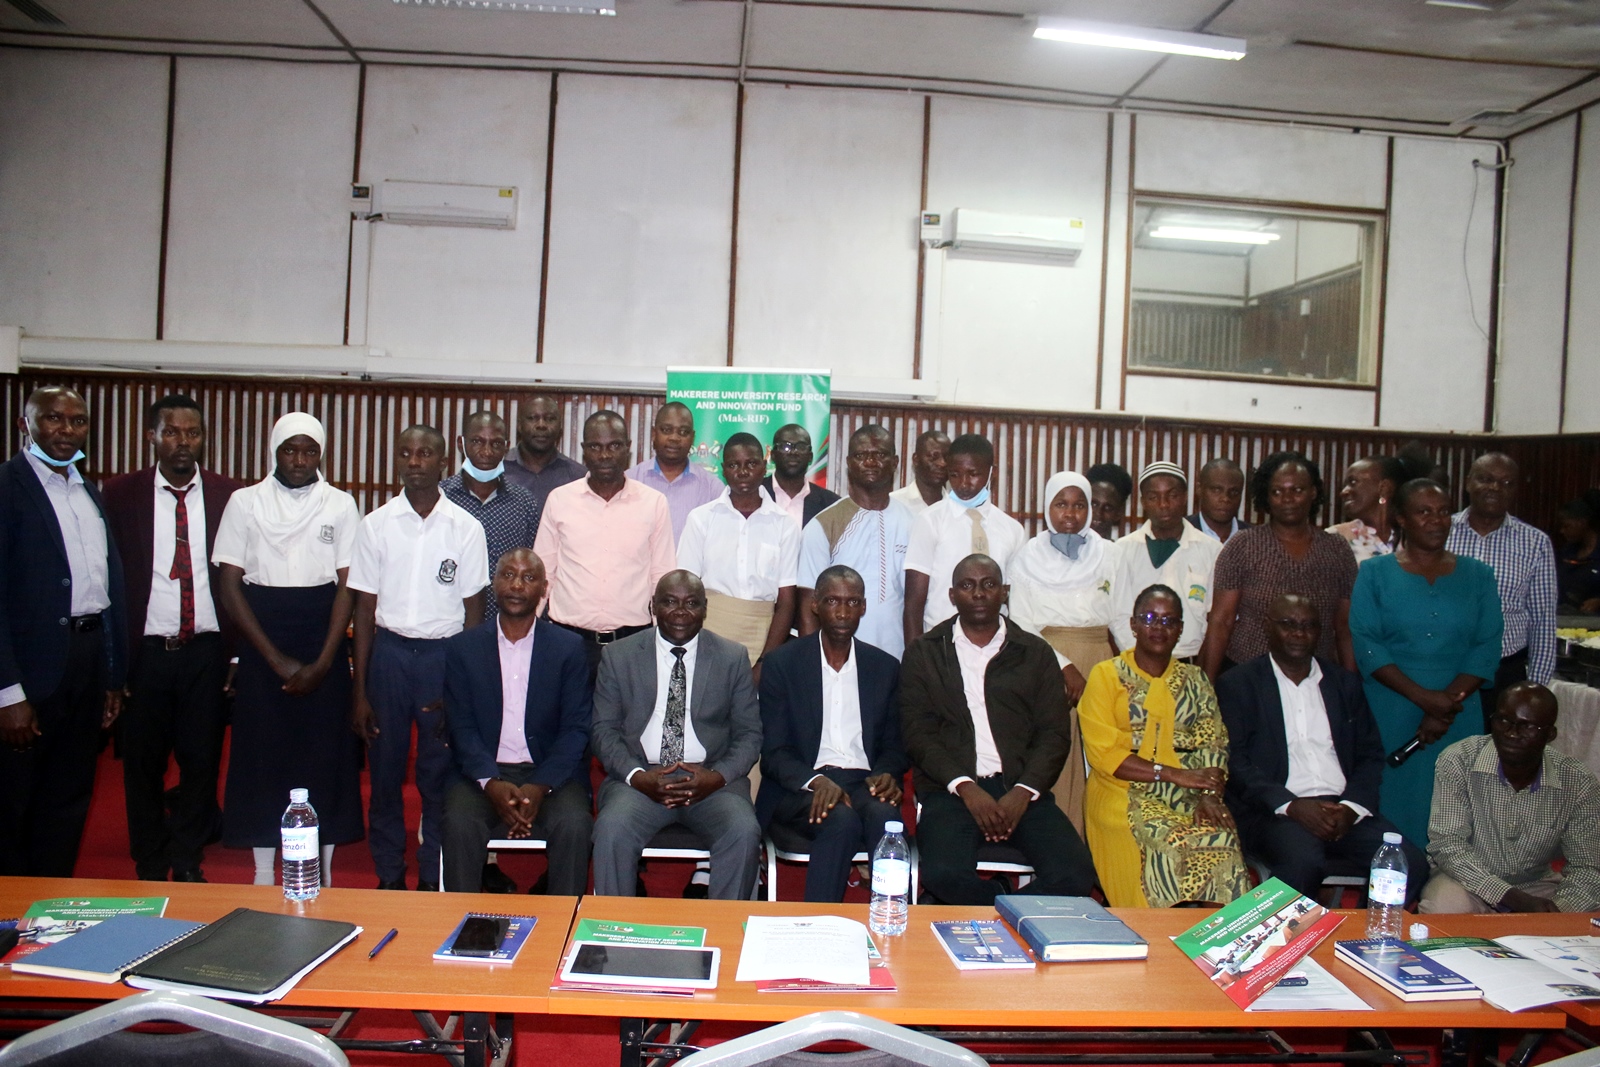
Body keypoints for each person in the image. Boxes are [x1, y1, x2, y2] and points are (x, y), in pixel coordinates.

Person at [212, 412, 363, 888]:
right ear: (274, 451)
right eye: (289, 451)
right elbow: (230, 584)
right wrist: (273, 658)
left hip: (324, 634)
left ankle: (325, 872)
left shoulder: (340, 504)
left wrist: (323, 660)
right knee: (263, 756)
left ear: (322, 454)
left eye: (309, 451)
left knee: (326, 757)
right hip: (262, 636)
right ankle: (262, 871)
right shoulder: (244, 502)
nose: (299, 461)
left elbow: (349, 587)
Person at [901, 554, 1098, 905]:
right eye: (967, 585)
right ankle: (1004, 901)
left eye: (988, 584)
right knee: (942, 874)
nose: (978, 593)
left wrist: (1023, 792)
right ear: (952, 595)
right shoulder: (925, 653)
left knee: (1076, 874)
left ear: (1004, 592)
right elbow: (918, 733)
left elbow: (1054, 734)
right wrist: (966, 788)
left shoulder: (1035, 653)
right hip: (952, 791)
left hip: (1021, 789)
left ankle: (995, 910)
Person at [102, 394, 240, 883]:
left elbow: (243, 580)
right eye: (173, 432)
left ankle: (187, 862)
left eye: (193, 433)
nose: (184, 442)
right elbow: (108, 580)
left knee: (201, 761)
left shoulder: (229, 496)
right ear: (152, 436)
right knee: (142, 765)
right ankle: (149, 860)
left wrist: (236, 654)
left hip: (206, 649)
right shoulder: (119, 495)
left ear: (205, 438)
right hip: (147, 652)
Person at [349, 425, 490, 891]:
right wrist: (360, 689)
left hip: (443, 659)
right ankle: (389, 878)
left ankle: (433, 878)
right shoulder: (375, 524)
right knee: (385, 776)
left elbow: (474, 613)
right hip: (388, 656)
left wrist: (462, 688)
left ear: (442, 462)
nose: (414, 462)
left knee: (438, 776)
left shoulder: (466, 529)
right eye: (406, 453)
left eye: (424, 453)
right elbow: (364, 610)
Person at [1217, 594, 1426, 902]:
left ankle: (1368, 940)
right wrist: (1292, 805)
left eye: (1309, 626)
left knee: (1409, 864)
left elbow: (1369, 755)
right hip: (1276, 813)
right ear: (1267, 627)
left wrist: (1351, 808)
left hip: (1343, 811)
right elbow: (1234, 761)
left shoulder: (1344, 684)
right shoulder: (1239, 684)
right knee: (1302, 862)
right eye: (1288, 624)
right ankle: (1288, 947)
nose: (1299, 634)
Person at [0, 386, 127, 877]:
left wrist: (113, 676)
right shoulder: (8, 488)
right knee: (15, 800)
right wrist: (7, 692)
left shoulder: (88, 490)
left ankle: (47, 906)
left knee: (69, 794)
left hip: (87, 659)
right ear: (25, 423)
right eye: (52, 419)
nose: (65, 430)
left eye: (76, 421)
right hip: (29, 672)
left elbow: (104, 585)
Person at [590, 570, 763, 899]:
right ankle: (612, 933)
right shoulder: (618, 656)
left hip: (711, 782)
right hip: (642, 780)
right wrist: (638, 777)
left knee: (742, 830)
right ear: (653, 606)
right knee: (612, 830)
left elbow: (750, 734)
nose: (681, 611)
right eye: (669, 602)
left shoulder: (732, 657)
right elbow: (603, 731)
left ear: (705, 608)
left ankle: (726, 934)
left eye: (691, 603)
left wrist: (717, 777)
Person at [1349, 478, 1502, 849]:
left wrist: (1447, 702)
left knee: (1455, 803)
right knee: (1394, 802)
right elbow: (1367, 643)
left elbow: (1486, 645)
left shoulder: (1478, 575)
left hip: (1459, 710)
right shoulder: (1374, 573)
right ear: (1401, 518)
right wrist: (1424, 699)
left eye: (1443, 512)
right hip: (1391, 705)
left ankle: (1450, 889)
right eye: (1424, 512)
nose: (1436, 521)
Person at [1080, 584, 1248, 907]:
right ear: (1133, 625)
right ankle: (1160, 939)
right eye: (1149, 618)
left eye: (1169, 621)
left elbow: (1213, 742)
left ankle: (1217, 944)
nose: (1158, 627)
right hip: (1122, 790)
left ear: (1180, 630)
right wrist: (1174, 775)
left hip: (1189, 793)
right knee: (1168, 841)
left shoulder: (1196, 680)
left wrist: (1210, 796)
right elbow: (1105, 755)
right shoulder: (1106, 675)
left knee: (1223, 839)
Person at [441, 549, 592, 895]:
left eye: (528, 577)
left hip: (550, 773)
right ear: (494, 583)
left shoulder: (567, 648)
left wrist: (540, 786)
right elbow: (460, 726)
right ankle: (461, 927)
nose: (516, 585)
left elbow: (576, 729)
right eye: (508, 575)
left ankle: (563, 927)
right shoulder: (463, 648)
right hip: (482, 772)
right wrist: (490, 783)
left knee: (574, 824)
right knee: (460, 822)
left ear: (543, 589)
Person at [756, 565, 907, 902]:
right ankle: (818, 927)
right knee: (840, 820)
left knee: (886, 817)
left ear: (864, 607)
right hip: (802, 786)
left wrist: (886, 774)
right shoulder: (784, 663)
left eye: (853, 603)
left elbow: (896, 745)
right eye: (833, 602)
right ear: (815, 605)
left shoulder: (884, 668)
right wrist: (815, 781)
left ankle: (891, 924)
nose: (843, 612)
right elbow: (774, 750)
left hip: (864, 780)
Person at [1421, 682, 1600, 914]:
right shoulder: (1459, 760)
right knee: (1445, 907)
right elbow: (1447, 845)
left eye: (1527, 727)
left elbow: (1588, 867)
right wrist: (1509, 898)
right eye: (1503, 721)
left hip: (1536, 886)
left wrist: (1557, 912)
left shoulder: (1577, 781)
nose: (1512, 733)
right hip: (1464, 880)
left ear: (1550, 734)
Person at [1006, 470, 1116, 834]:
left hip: (1100, 661)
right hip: (1046, 663)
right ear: (1046, 508)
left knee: (1101, 755)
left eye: (1079, 505)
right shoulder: (1026, 557)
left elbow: (1123, 613)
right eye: (1061, 504)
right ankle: (1058, 840)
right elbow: (1020, 621)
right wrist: (1064, 667)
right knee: (1056, 753)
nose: (1070, 514)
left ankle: (1096, 845)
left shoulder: (1109, 554)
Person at [534, 410, 677, 678]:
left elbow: (661, 576)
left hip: (633, 644)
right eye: (596, 447)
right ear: (584, 451)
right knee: (568, 720)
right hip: (567, 642)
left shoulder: (653, 503)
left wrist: (663, 640)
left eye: (614, 446)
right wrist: (529, 632)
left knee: (628, 721)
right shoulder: (559, 500)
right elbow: (544, 573)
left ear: (628, 449)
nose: (605, 455)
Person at [1202, 452, 1357, 679]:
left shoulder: (1337, 549)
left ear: (1313, 492)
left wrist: (1349, 685)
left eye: (1297, 490)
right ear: (1266, 495)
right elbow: (1221, 621)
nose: (1287, 499)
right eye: (1277, 491)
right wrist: (1207, 685)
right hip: (1248, 674)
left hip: (1315, 675)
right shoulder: (1243, 545)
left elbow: (1344, 628)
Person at [1446, 453, 1557, 729]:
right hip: (1444, 665)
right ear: (1468, 483)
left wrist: (1536, 688)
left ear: (1515, 491)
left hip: (1504, 672)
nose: (1495, 488)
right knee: (1445, 754)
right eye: (1486, 479)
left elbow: (1543, 620)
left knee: (1497, 760)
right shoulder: (1439, 531)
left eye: (1506, 482)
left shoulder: (1535, 543)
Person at [677, 433, 799, 667]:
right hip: (709, 634)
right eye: (734, 465)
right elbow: (686, 591)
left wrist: (766, 661)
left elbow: (786, 602)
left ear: (765, 467)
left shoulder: (784, 525)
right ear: (723, 469)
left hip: (764, 637)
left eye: (751, 463)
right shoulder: (701, 519)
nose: (742, 472)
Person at [797, 425, 914, 659]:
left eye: (880, 454)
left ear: (895, 462)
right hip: (839, 660)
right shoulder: (823, 525)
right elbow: (808, 606)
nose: (870, 462)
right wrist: (814, 664)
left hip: (899, 658)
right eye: (861, 456)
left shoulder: (914, 523)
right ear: (849, 463)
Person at [904, 433, 1026, 644]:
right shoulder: (929, 520)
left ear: (991, 472)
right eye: (955, 474)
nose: (963, 483)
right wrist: (916, 658)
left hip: (996, 643)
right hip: (941, 642)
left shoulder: (1012, 529)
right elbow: (914, 604)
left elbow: (1018, 600)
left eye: (973, 474)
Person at [1109, 462, 1220, 665]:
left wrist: (1204, 673)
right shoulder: (1122, 550)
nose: (1163, 504)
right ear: (1143, 502)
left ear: (1186, 497)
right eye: (1153, 497)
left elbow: (1216, 620)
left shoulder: (1211, 550)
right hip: (1136, 661)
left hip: (1191, 661)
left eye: (1172, 495)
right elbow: (1118, 614)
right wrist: (1136, 661)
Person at [441, 411, 539, 619]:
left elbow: (534, 567)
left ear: (506, 446)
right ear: (461, 444)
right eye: (477, 441)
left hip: (505, 623)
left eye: (495, 443)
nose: (486, 451)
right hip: (447, 621)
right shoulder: (441, 498)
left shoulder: (524, 503)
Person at [625, 402, 724, 544]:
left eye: (683, 432)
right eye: (666, 430)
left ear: (693, 438)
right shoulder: (630, 481)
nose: (674, 438)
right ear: (654, 433)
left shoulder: (712, 489)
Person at [501, 394, 585, 515]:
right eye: (532, 418)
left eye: (550, 419)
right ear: (519, 426)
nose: (541, 425)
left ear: (560, 427)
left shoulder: (578, 476)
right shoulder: (497, 472)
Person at [1326, 456, 1406, 564]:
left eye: (1353, 482)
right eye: (1345, 485)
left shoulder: (1414, 537)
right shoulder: (1333, 539)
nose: (1343, 492)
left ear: (1384, 488)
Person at [762, 424, 840, 528]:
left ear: (810, 457)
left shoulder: (831, 505)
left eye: (801, 447)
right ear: (773, 456)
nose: (793, 452)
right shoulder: (755, 493)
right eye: (785, 447)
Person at [889, 429, 951, 518]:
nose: (942, 463)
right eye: (934, 457)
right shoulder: (893, 503)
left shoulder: (956, 509)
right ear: (916, 459)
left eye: (947, 458)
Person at [1186, 458, 1249, 544]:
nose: (1225, 498)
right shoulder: (1180, 533)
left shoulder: (1255, 539)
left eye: (1234, 492)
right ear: (1199, 489)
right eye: (1216, 490)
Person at [1556, 497, 1600, 613]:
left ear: (1582, 523)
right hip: (1567, 620)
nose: (1562, 531)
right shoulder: (1566, 552)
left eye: (1567, 526)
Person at [1087, 461, 1132, 542]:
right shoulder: (1062, 553)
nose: (1098, 514)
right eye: (1093, 504)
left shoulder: (1123, 554)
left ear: (1119, 513)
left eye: (1108, 508)